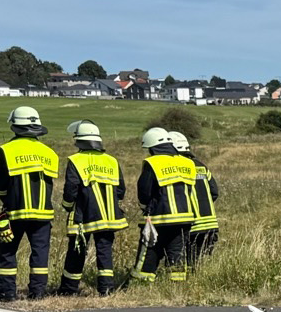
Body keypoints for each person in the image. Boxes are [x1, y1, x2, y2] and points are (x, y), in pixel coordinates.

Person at [0, 106, 59, 301]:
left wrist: (6, 200)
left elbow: (0, 183)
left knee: (7, 251)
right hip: (43, 213)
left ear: (15, 125)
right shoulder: (49, 152)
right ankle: (38, 291)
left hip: (15, 211)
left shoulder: (7, 150)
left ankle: (6, 291)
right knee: (40, 253)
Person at [57, 120, 127, 296]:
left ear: (79, 141)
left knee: (77, 251)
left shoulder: (75, 160)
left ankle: (69, 289)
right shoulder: (111, 161)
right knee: (105, 251)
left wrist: (67, 207)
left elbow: (71, 189)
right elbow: (121, 190)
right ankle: (106, 289)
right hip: (109, 217)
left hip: (84, 215)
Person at [132, 127, 196, 284]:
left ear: (153, 147)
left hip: (159, 218)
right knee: (177, 254)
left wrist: (145, 208)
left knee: (149, 252)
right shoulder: (187, 163)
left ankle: (142, 284)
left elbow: (145, 192)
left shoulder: (153, 163)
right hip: (185, 218)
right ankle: (177, 286)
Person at [170, 131, 219, 269]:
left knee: (185, 262)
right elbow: (214, 192)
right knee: (197, 262)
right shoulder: (201, 166)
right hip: (209, 223)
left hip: (190, 223)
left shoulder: (177, 167)